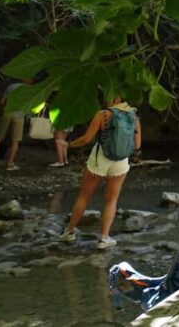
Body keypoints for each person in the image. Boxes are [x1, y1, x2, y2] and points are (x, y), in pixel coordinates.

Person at [60, 98, 141, 249]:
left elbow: (86, 139)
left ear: (115, 98)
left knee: (84, 196)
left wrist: (68, 144)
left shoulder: (103, 114)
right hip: (121, 161)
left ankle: (69, 232)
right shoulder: (134, 117)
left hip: (100, 159)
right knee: (111, 200)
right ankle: (104, 238)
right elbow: (137, 145)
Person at [0, 80, 31, 171]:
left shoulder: (11, 86)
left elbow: (2, 102)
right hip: (19, 115)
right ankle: (10, 164)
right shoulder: (29, 90)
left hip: (7, 112)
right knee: (15, 141)